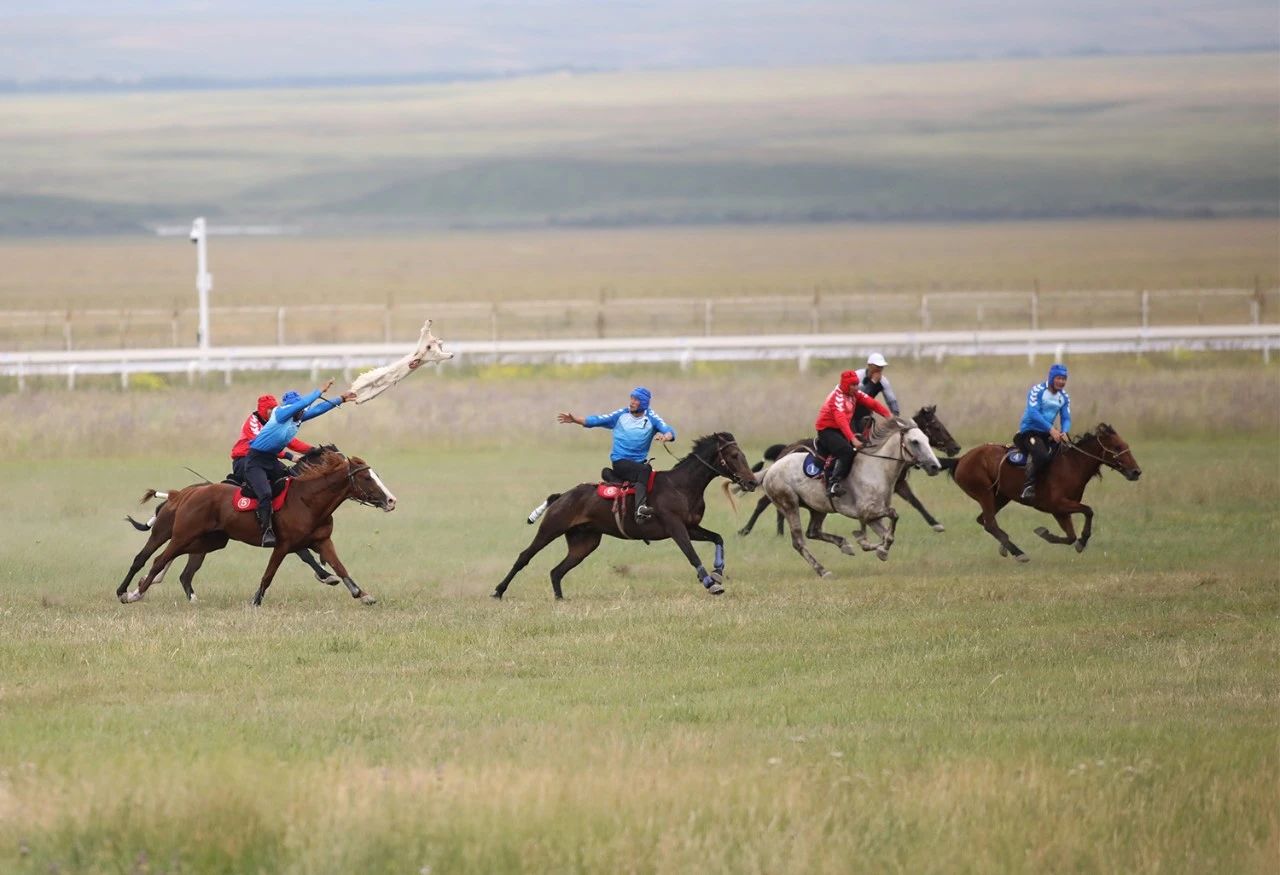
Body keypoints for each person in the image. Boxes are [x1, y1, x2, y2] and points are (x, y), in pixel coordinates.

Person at [245, 380, 356, 546]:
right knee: (266, 493)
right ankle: (266, 531)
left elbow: (318, 409)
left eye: (301, 410)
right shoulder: (281, 414)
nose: (301, 412)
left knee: (293, 481)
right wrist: (319, 391)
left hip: (271, 460)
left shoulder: (297, 416)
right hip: (255, 461)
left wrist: (341, 398)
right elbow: (305, 403)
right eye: (298, 409)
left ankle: (289, 521)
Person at [558, 387, 675, 521]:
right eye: (631, 398)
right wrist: (575, 420)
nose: (631, 402)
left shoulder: (652, 418)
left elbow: (668, 430)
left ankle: (611, 476)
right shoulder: (621, 415)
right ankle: (640, 509)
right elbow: (596, 420)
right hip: (621, 462)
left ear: (643, 403)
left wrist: (667, 436)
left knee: (650, 478)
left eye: (635, 400)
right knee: (645, 470)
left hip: (637, 464)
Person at [815, 369, 892, 497]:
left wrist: (888, 416)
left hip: (841, 429)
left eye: (857, 384)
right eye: (853, 385)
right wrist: (853, 439)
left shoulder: (854, 393)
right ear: (845, 385)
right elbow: (841, 421)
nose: (856, 387)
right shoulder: (837, 398)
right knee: (847, 451)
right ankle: (832, 484)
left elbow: (872, 403)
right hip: (827, 430)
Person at [1014, 363, 1072, 501]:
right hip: (1029, 432)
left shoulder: (1064, 397)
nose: (1062, 382)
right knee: (1042, 456)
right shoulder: (1037, 390)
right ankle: (1028, 486)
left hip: (1047, 434)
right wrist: (1051, 429)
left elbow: (1066, 418)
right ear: (1051, 377)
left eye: (1064, 379)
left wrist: (1064, 432)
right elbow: (1033, 413)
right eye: (1059, 378)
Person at [229, 394, 313, 483]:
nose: (273, 411)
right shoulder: (252, 423)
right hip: (244, 460)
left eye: (274, 408)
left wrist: (312, 450)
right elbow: (265, 446)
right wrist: (290, 456)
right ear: (263, 409)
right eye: (270, 409)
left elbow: (290, 441)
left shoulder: (273, 423)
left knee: (288, 476)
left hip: (264, 459)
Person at [853, 352, 900, 436]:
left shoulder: (883, 381)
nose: (879, 370)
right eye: (877, 367)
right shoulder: (858, 375)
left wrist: (895, 415)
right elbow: (860, 397)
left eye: (881, 367)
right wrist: (873, 382)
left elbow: (891, 400)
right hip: (849, 409)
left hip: (864, 414)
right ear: (869, 365)